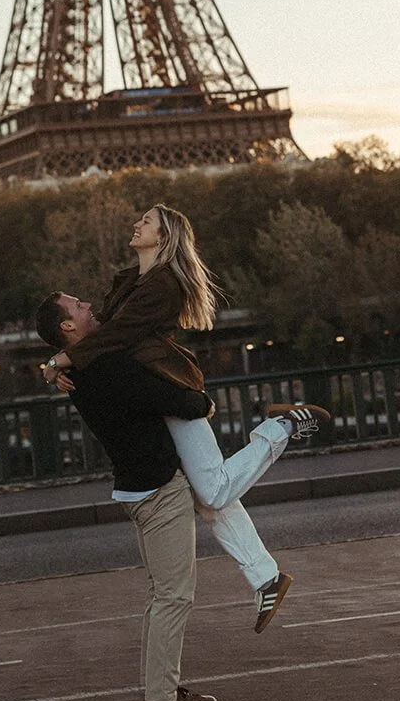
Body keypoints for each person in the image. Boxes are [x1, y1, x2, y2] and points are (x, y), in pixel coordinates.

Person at [40, 204, 331, 631]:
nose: (136, 223)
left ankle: (285, 425)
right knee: (208, 496)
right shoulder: (129, 282)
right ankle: (266, 578)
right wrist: (59, 366)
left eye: (147, 221)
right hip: (152, 393)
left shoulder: (165, 285)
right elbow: (97, 335)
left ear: (163, 237)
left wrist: (61, 359)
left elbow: (118, 336)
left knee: (212, 491)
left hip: (169, 388)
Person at [36, 292, 222, 701]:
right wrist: (204, 404)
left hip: (137, 487)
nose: (88, 306)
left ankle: (162, 690)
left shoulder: (80, 366)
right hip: (157, 490)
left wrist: (53, 365)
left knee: (163, 594)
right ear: (67, 325)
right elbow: (172, 399)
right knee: (174, 597)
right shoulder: (104, 366)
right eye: (78, 305)